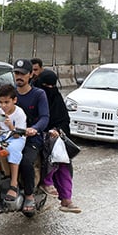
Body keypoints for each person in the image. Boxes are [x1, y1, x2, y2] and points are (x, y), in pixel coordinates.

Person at [0, 58, 50, 214]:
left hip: (30, 137)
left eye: (22, 73)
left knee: (26, 162)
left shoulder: (39, 94)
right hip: (7, 136)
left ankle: (28, 195)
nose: (18, 76)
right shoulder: (9, 93)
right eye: (16, 73)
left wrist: (34, 129)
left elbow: (45, 117)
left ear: (30, 75)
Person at [37, 69, 81, 214]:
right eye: (46, 85)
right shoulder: (33, 94)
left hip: (52, 136)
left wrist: (56, 130)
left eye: (52, 86)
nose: (49, 89)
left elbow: (64, 120)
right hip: (31, 133)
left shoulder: (56, 98)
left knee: (63, 160)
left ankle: (66, 200)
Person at [0, 84, 27, 202]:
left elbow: (17, 134)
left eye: (6, 102)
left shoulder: (19, 113)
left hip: (16, 138)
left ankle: (13, 184)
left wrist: (11, 126)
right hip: (3, 136)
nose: (3, 106)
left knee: (13, 150)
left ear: (14, 100)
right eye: (1, 102)